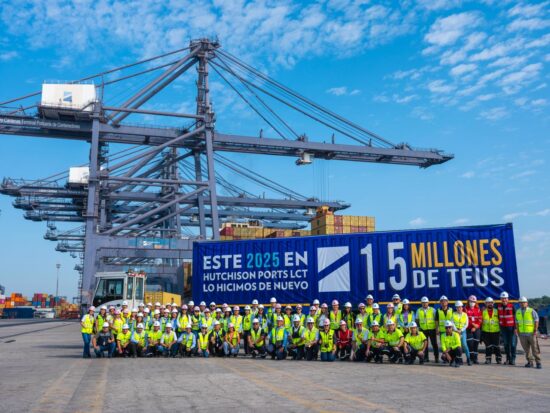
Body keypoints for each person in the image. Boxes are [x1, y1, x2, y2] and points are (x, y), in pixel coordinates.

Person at [515, 296, 542, 369]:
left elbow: (536, 320)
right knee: (526, 350)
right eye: (521, 303)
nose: (522, 304)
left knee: (535, 348)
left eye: (523, 302)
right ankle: (530, 362)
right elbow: (517, 322)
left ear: (527, 303)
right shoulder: (518, 312)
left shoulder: (531, 311)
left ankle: (538, 362)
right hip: (522, 334)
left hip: (531, 333)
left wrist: (535, 330)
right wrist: (517, 330)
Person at [416, 296, 438, 363]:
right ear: (421, 303)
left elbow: (436, 320)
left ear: (428, 303)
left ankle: (436, 357)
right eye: (423, 302)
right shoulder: (419, 310)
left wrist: (436, 328)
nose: (424, 304)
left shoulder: (433, 310)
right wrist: (419, 328)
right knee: (425, 344)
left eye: (426, 302)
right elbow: (417, 320)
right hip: (423, 329)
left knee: (434, 344)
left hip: (432, 329)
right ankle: (426, 357)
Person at [497, 291, 517, 365]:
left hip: (511, 328)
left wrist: (515, 328)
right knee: (506, 344)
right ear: (501, 299)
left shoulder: (512, 306)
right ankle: (508, 359)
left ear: (507, 299)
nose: (504, 300)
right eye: (502, 298)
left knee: (512, 344)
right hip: (503, 328)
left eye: (505, 298)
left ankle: (513, 359)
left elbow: (516, 318)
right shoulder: (498, 307)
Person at [481, 297, 502, 364]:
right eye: (488, 303)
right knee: (488, 346)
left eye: (491, 303)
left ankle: (498, 359)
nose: (490, 304)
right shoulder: (483, 312)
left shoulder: (497, 311)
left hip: (496, 331)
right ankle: (488, 359)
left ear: (493, 303)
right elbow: (481, 321)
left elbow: (501, 320)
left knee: (497, 346)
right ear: (486, 304)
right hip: (486, 331)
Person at [452, 301, 471, 366]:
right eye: (457, 307)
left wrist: (461, 330)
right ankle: (459, 360)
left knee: (464, 345)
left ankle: (468, 359)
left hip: (463, 331)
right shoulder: (453, 314)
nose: (459, 308)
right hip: (455, 332)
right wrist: (456, 330)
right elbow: (452, 323)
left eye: (460, 307)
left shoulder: (465, 315)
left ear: (462, 307)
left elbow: (466, 324)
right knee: (457, 345)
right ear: (456, 308)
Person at [465, 295, 482, 364]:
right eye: (471, 301)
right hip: (468, 329)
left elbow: (480, 319)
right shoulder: (465, 309)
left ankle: (475, 358)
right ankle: (470, 358)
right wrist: (472, 324)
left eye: (474, 301)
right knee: (470, 344)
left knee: (476, 344)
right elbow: (465, 319)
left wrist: (475, 327)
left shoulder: (478, 309)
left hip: (476, 329)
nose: (472, 303)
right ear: (468, 301)